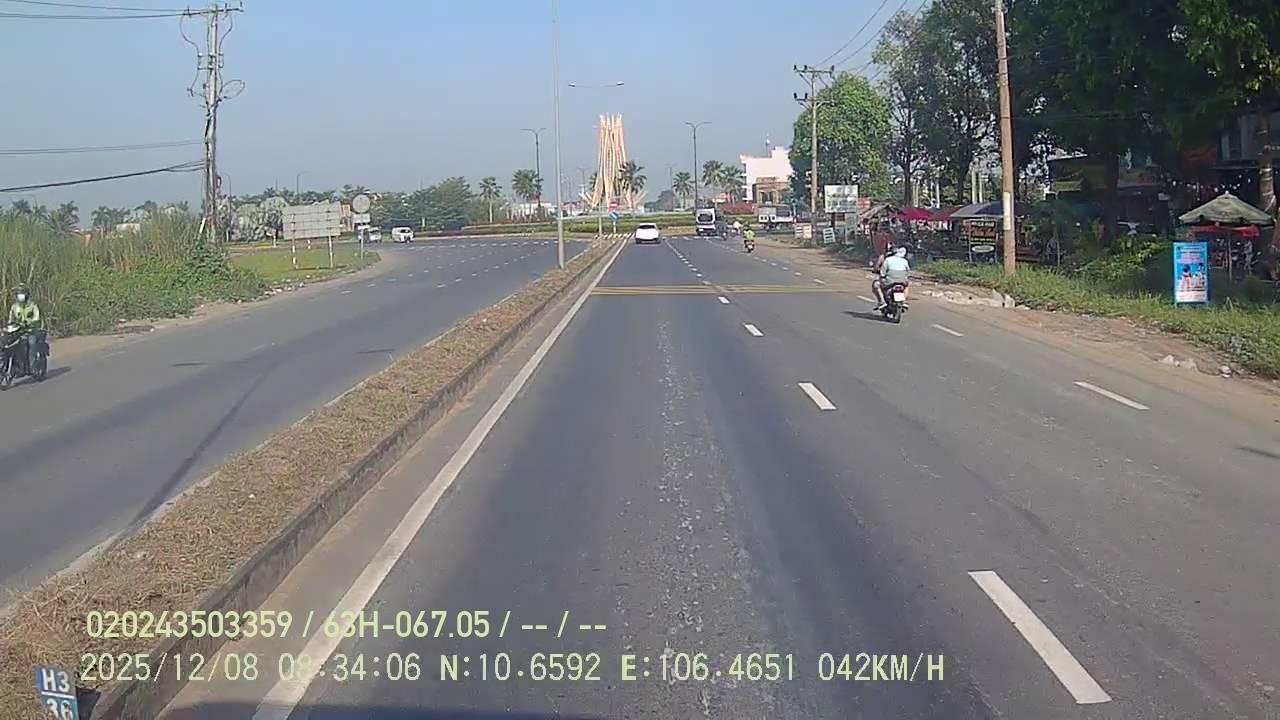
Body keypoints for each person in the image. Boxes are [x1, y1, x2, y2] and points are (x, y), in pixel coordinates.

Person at [7, 285, 42, 373]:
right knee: (11, 344)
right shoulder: (14, 307)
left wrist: (31, 322)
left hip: (31, 330)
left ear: (26, 294)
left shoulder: (32, 305)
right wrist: (9, 324)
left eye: (22, 293)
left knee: (32, 344)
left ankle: (33, 367)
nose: (20, 295)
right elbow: (11, 318)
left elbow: (37, 317)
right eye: (19, 294)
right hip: (19, 331)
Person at [873, 245, 912, 310]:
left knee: (876, 284)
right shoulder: (905, 261)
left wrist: (882, 276)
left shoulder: (887, 259)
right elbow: (908, 273)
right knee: (907, 286)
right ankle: (904, 301)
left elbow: (882, 273)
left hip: (889, 282)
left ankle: (882, 301)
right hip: (902, 282)